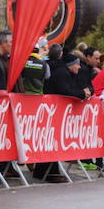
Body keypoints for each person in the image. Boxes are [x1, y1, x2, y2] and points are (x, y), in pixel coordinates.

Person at [34, 53, 90, 183]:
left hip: (53, 111)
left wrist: (84, 92)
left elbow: (72, 88)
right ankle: (50, 173)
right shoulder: (62, 73)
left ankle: (42, 171)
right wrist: (82, 93)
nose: (79, 67)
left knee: (50, 142)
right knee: (51, 142)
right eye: (77, 64)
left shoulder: (65, 73)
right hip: (52, 111)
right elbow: (65, 92)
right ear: (70, 65)